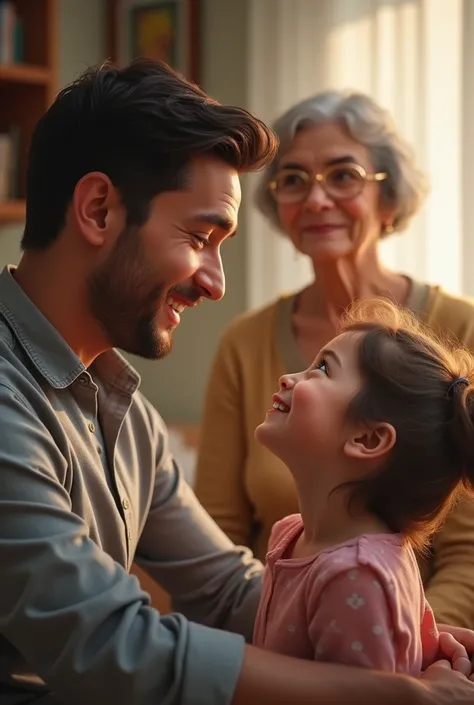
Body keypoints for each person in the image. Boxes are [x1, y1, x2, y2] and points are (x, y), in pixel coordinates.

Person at [0, 59, 473, 705]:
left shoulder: (124, 410)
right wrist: (395, 692)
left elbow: (227, 588)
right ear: (99, 209)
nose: (215, 282)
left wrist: (405, 634)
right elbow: (111, 646)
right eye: (200, 236)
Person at [195, 90, 474, 628]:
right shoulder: (244, 342)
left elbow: (468, 552)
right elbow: (219, 532)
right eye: (294, 180)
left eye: (342, 175)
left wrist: (402, 650)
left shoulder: (460, 331)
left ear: (388, 199)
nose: (316, 199)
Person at [254, 298, 474, 674]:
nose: (289, 377)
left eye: (322, 369)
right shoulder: (290, 534)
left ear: (369, 440)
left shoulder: (356, 576)